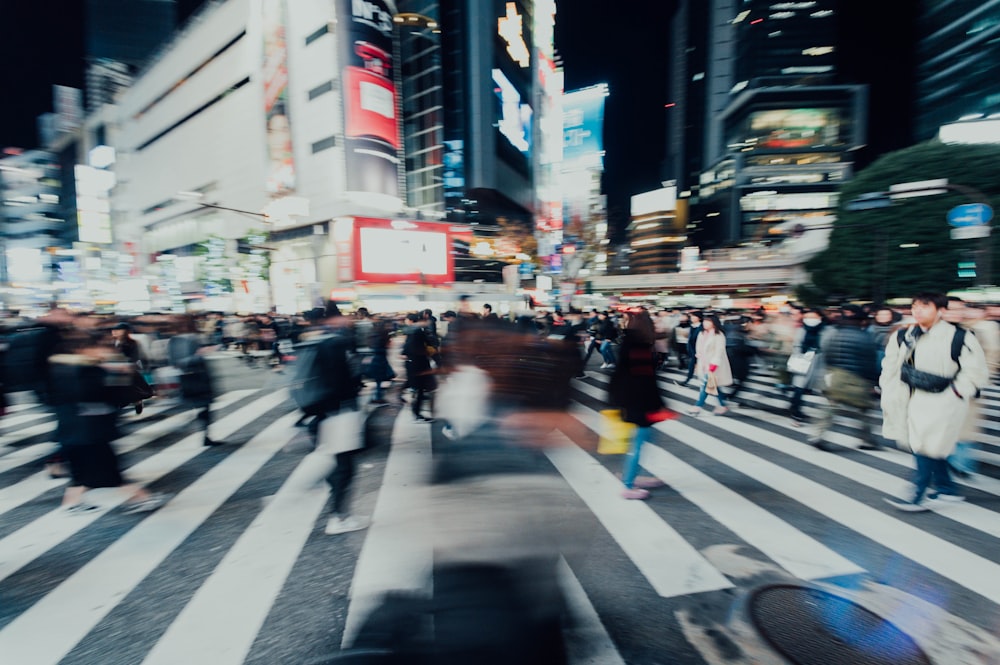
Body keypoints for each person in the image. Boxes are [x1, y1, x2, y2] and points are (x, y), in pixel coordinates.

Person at [881, 292, 989, 511]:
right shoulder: (903, 335)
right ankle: (947, 488)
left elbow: (976, 372)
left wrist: (956, 393)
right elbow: (890, 365)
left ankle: (917, 494)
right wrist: (889, 389)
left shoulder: (960, 336)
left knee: (925, 446)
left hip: (942, 399)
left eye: (925, 306)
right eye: (915, 306)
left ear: (940, 310)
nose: (917, 310)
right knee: (928, 445)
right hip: (907, 397)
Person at [608, 308, 669, 500]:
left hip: (631, 400)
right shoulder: (639, 346)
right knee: (640, 441)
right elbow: (645, 380)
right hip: (639, 403)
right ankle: (628, 484)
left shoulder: (630, 343)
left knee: (645, 440)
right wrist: (658, 404)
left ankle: (631, 475)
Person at [809, 305, 881, 451]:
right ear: (861, 322)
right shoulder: (866, 337)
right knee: (864, 409)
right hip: (858, 378)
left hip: (835, 375)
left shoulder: (832, 333)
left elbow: (826, 353)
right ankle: (867, 440)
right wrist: (873, 382)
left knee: (830, 407)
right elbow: (871, 362)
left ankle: (817, 435)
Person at [687, 313, 732, 416]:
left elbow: (719, 351)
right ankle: (722, 405)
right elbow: (698, 348)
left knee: (706, 385)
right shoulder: (702, 334)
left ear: (714, 323)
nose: (705, 323)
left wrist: (713, 364)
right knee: (713, 386)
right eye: (704, 321)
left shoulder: (718, 335)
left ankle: (698, 406)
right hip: (703, 363)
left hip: (714, 364)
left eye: (708, 322)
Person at [787, 309, 826, 424]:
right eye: (807, 317)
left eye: (813, 317)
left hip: (819, 361)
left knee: (821, 388)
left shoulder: (826, 330)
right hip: (802, 360)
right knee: (799, 387)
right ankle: (795, 411)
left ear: (820, 317)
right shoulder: (801, 330)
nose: (810, 320)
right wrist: (800, 356)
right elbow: (796, 345)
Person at [402, 312, 437, 422]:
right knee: (420, 389)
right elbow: (429, 345)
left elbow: (407, 348)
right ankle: (416, 413)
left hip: (414, 363)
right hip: (418, 364)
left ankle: (416, 412)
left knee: (418, 388)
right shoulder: (418, 331)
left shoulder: (412, 331)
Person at [677, 311, 703, 386]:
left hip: (701, 351)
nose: (692, 318)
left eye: (694, 316)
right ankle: (687, 380)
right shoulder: (692, 326)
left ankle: (718, 390)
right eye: (691, 316)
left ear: (699, 318)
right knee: (691, 366)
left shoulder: (702, 327)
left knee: (705, 371)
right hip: (693, 351)